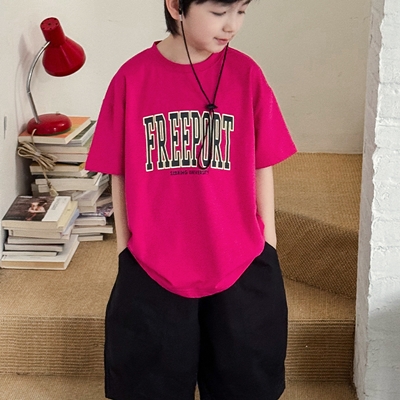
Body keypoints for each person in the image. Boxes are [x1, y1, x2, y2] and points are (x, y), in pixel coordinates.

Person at [86, 0, 297, 399]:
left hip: (239, 257)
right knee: (150, 385)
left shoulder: (246, 74)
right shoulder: (132, 78)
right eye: (219, 12)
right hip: (154, 263)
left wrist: (268, 243)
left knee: (246, 382)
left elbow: (262, 163)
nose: (232, 26)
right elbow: (119, 171)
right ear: (175, 5)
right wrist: (125, 249)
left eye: (241, 11)